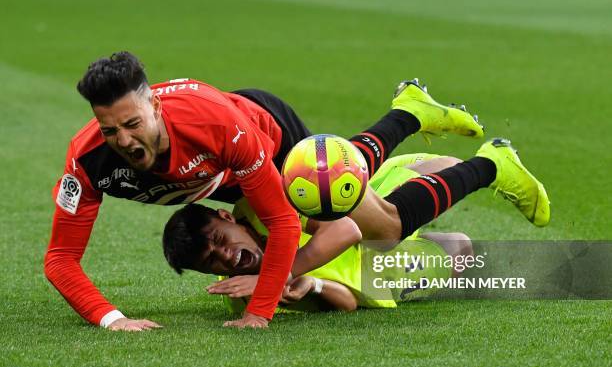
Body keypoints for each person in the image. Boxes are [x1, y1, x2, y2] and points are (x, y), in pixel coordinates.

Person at [44, 51, 485, 330]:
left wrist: (260, 310)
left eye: (133, 124)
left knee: (375, 221)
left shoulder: (218, 126)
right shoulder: (87, 162)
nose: (123, 140)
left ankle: (484, 163)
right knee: (350, 176)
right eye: (110, 130)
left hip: (264, 134)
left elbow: (282, 221)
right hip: (218, 176)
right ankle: (409, 110)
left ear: (155, 107)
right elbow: (60, 259)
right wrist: (112, 320)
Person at [162, 139, 550, 312]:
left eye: (218, 240)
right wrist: (311, 285)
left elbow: (346, 227)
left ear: (227, 217)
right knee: (458, 247)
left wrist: (278, 274)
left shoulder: (260, 207)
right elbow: (345, 302)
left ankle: (425, 123)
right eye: (211, 261)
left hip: (363, 227)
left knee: (445, 166)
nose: (226, 257)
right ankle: (488, 161)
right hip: (374, 269)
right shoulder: (248, 296)